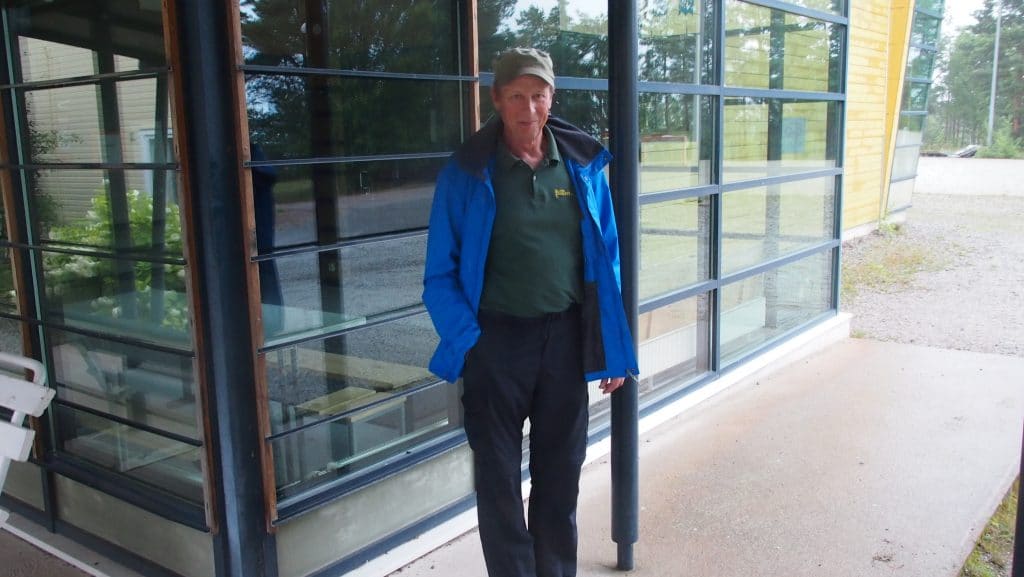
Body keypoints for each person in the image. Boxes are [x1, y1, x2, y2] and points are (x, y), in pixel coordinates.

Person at [422, 47, 638, 577]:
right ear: (497, 99)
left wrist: (610, 348)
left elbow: (607, 260)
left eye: (538, 95)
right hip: (495, 344)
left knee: (560, 479)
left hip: (564, 343)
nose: (529, 108)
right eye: (516, 96)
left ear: (551, 98)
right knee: (498, 484)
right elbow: (438, 275)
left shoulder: (583, 166)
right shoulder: (467, 173)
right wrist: (469, 341)